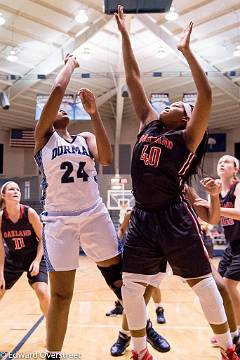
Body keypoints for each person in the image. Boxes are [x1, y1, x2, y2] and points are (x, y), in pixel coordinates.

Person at [115, 5, 239, 360]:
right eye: (170, 101)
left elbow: (207, 96)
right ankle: (140, 351)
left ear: (185, 119)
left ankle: (228, 348)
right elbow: (134, 79)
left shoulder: (188, 137)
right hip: (142, 217)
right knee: (131, 288)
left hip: (174, 217)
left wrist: (187, 52)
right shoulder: (149, 122)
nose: (171, 103)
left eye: (180, 105)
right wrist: (125, 34)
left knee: (202, 284)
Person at [34, 53, 169, 359]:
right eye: (56, 108)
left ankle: (142, 327)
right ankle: (53, 355)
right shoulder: (43, 138)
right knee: (61, 294)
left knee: (125, 283)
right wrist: (69, 63)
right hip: (58, 220)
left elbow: (107, 159)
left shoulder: (85, 137)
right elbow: (57, 91)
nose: (62, 107)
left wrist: (94, 114)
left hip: (94, 214)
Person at [106, 209, 166, 324]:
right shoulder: (131, 214)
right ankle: (120, 305)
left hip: (152, 252)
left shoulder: (157, 212)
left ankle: (159, 308)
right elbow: (122, 230)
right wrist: (116, 243)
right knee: (125, 282)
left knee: (152, 284)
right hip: (133, 251)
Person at [0, 181, 49, 316]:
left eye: (18, 189)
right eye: (11, 189)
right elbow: (0, 250)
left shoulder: (29, 213)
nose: (16, 191)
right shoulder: (1, 218)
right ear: (3, 195)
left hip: (34, 256)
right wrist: (0, 274)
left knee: (42, 291)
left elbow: (43, 239)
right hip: (13, 258)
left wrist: (37, 261)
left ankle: (52, 327)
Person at [217, 155, 240, 341]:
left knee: (228, 285)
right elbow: (213, 217)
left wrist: (214, 207)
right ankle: (229, 329)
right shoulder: (217, 192)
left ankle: (237, 331)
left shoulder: (238, 187)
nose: (222, 164)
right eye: (220, 162)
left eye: (227, 162)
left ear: (235, 170)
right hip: (231, 246)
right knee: (219, 287)